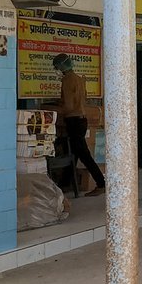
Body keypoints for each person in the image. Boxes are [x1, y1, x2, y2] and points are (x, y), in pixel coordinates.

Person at [52, 53, 105, 197]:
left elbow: (68, 106)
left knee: (83, 154)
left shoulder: (67, 80)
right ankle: (65, 184)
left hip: (73, 120)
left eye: (57, 66)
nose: (57, 69)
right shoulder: (79, 79)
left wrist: (55, 110)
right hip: (82, 119)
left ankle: (101, 183)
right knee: (74, 152)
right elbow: (82, 98)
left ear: (62, 66)